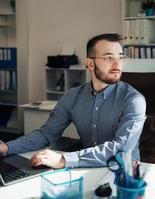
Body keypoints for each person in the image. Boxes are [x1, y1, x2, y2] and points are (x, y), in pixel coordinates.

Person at [0, 33, 146, 169]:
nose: (117, 64)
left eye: (120, 57)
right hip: (83, 166)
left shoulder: (134, 100)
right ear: (90, 63)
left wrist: (64, 159)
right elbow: (47, 134)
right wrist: (7, 147)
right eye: (109, 58)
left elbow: (121, 149)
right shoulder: (72, 96)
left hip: (123, 174)